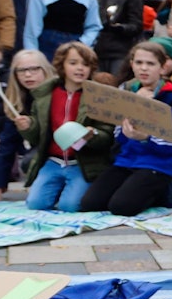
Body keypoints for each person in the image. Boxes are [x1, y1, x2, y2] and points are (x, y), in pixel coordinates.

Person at [79, 41, 172, 215]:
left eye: (150, 64)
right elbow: (119, 135)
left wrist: (147, 139)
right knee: (90, 203)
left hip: (159, 165)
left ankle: (163, 193)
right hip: (127, 160)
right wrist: (129, 127)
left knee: (121, 206)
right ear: (132, 65)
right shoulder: (127, 92)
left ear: (162, 68)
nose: (143, 68)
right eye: (139, 63)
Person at [17, 42, 114, 211]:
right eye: (73, 63)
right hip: (52, 162)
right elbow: (37, 138)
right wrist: (27, 127)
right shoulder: (44, 95)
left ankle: (71, 191)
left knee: (70, 206)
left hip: (82, 163)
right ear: (61, 65)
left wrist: (93, 135)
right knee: (35, 204)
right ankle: (59, 188)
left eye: (86, 64)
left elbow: (108, 135)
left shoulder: (98, 97)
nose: (80, 69)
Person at [0, 50, 55, 200]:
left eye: (34, 69)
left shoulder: (58, 91)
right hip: (40, 151)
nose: (28, 75)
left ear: (45, 69)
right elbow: (7, 144)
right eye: (22, 70)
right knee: (29, 161)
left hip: (66, 153)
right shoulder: (18, 100)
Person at [90, 0, 145, 78]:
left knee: (116, 87)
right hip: (94, 50)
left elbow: (137, 25)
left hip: (119, 52)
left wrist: (119, 27)